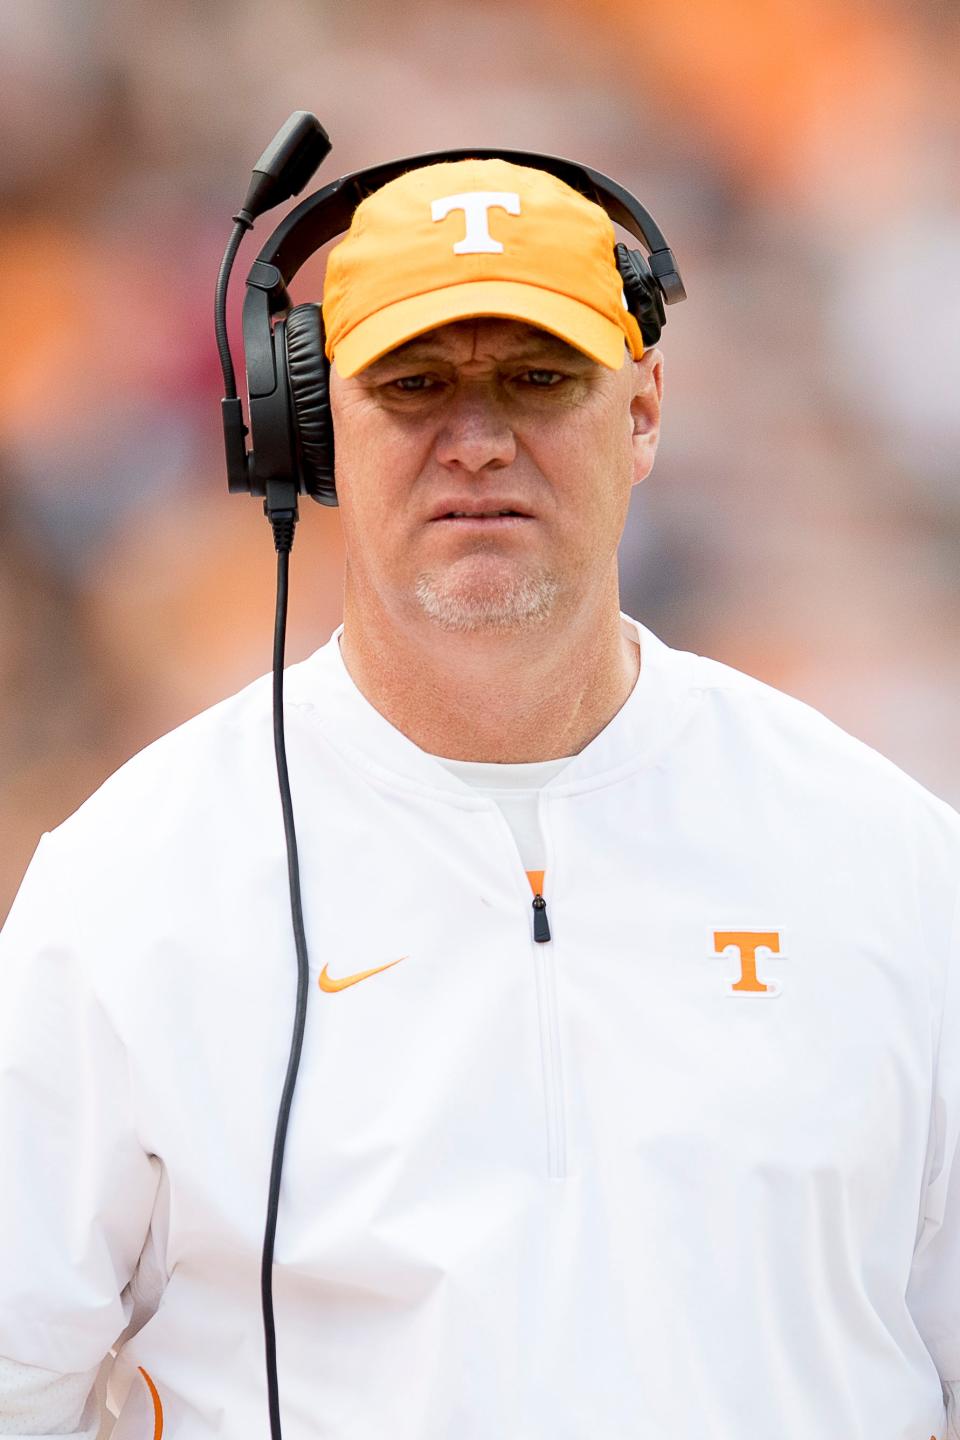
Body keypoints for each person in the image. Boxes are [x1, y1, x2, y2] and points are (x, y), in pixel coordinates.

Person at [0, 156, 958, 1440]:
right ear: (312, 431)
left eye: (539, 376)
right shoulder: (135, 882)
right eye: (413, 384)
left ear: (644, 412)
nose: (479, 438)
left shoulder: (884, 855)